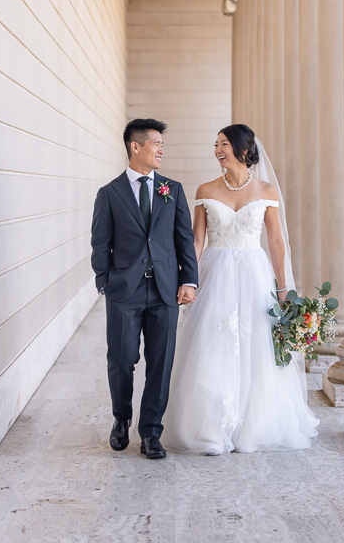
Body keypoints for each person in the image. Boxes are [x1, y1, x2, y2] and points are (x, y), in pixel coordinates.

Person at [163, 124, 319, 455]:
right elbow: (196, 240)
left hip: (254, 273)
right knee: (212, 341)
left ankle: (253, 426)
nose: (218, 149)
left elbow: (276, 242)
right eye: (216, 144)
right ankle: (210, 427)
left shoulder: (266, 191)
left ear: (243, 150)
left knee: (255, 344)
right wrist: (188, 279)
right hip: (215, 273)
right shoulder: (205, 189)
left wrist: (282, 288)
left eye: (224, 144)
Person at [91, 118, 198, 459]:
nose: (161, 149)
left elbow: (184, 240)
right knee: (122, 361)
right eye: (155, 143)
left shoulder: (173, 190)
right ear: (135, 147)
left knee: (161, 362)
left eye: (162, 144)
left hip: (165, 291)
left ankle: (151, 432)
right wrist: (105, 281)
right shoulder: (109, 194)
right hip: (125, 291)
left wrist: (188, 280)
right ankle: (121, 419)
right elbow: (100, 243)